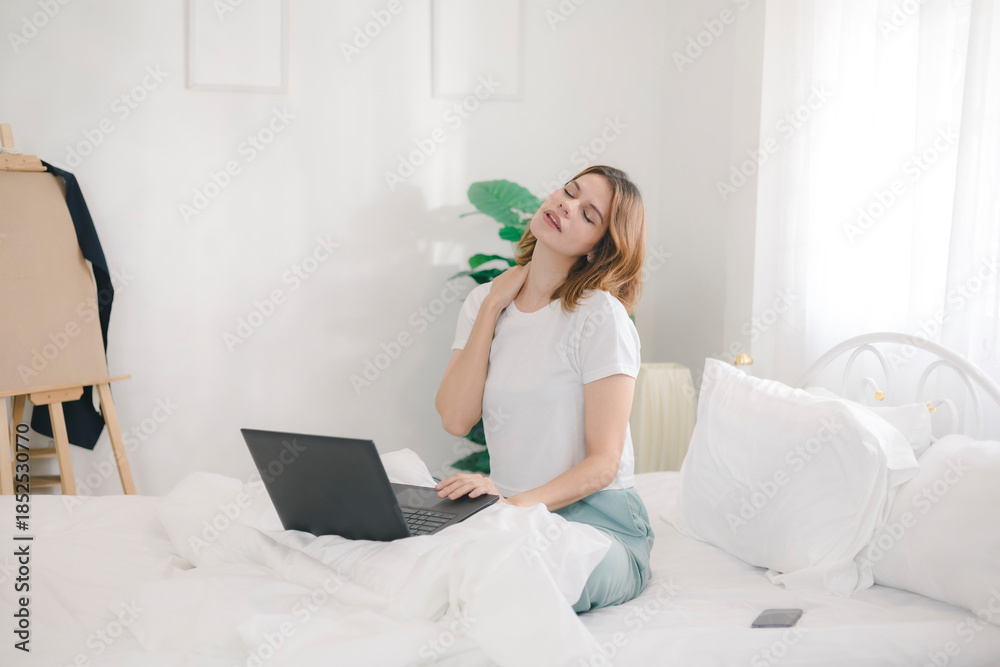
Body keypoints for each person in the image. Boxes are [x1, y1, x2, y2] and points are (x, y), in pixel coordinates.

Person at [433, 164, 654, 614]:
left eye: (588, 215)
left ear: (599, 250)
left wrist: (509, 508)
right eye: (569, 191)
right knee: (429, 553)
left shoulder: (601, 316)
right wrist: (493, 306)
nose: (567, 206)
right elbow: (456, 418)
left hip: (600, 527)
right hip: (518, 515)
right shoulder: (484, 301)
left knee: (509, 581)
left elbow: (603, 465)